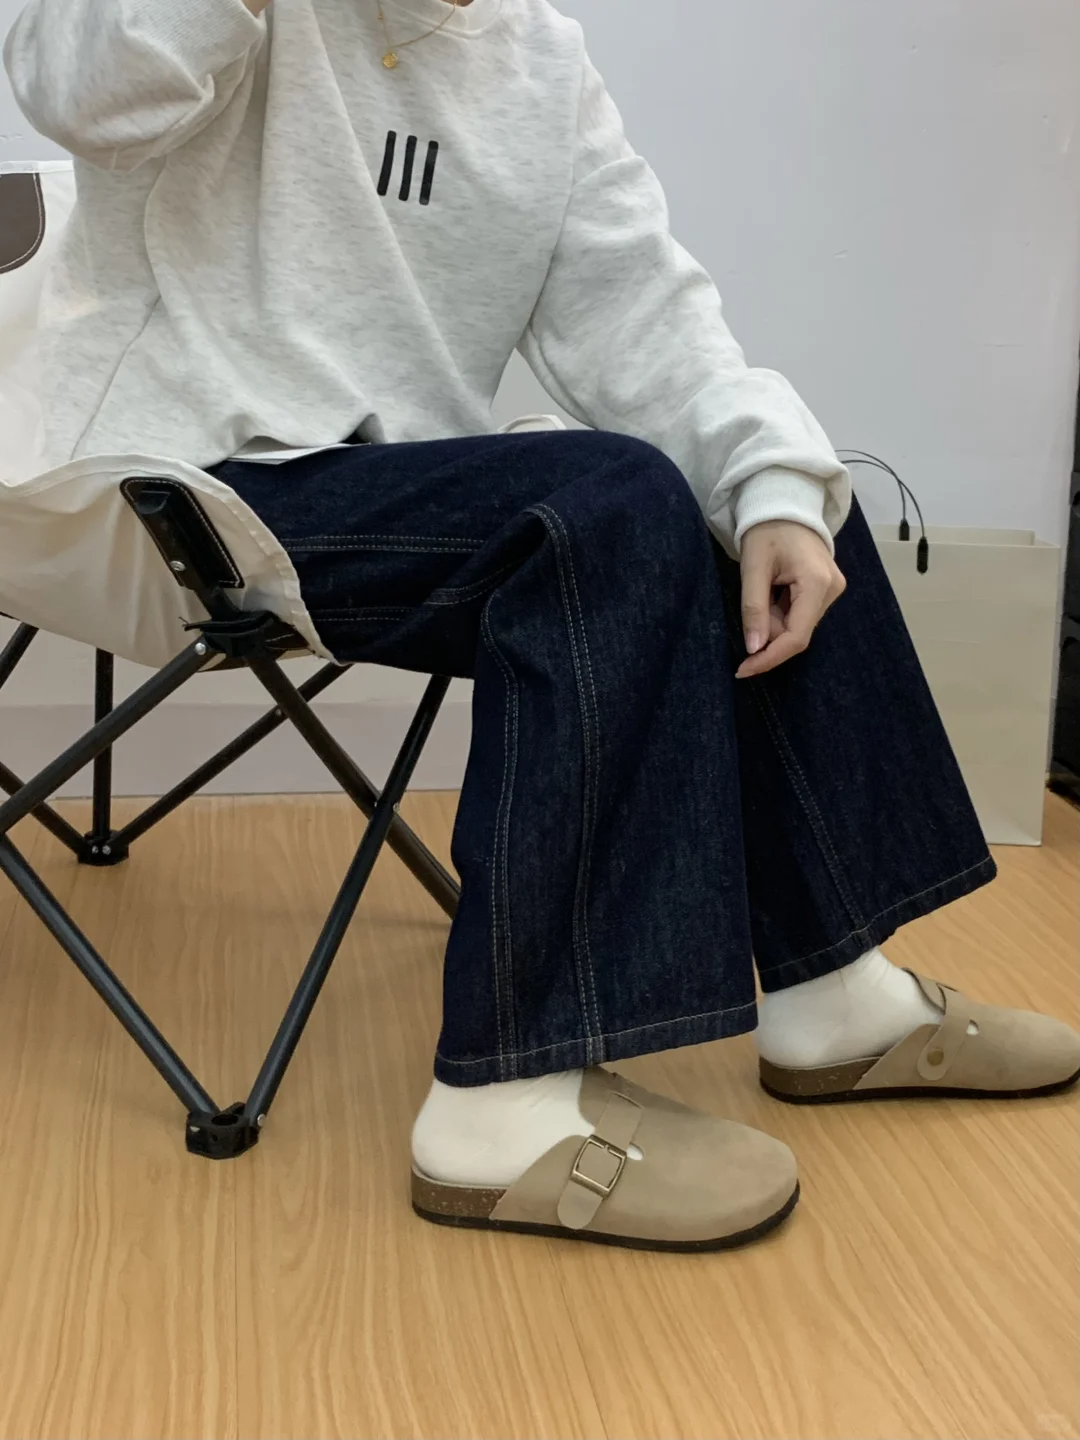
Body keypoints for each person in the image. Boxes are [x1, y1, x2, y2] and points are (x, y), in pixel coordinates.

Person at [5, 0, 1078, 1254]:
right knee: (603, 506)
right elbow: (79, 84)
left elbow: (651, 322)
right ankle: (500, 1106)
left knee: (768, 499)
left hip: (380, 488)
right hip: (160, 477)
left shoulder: (538, 61)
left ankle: (835, 993)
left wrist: (778, 490)